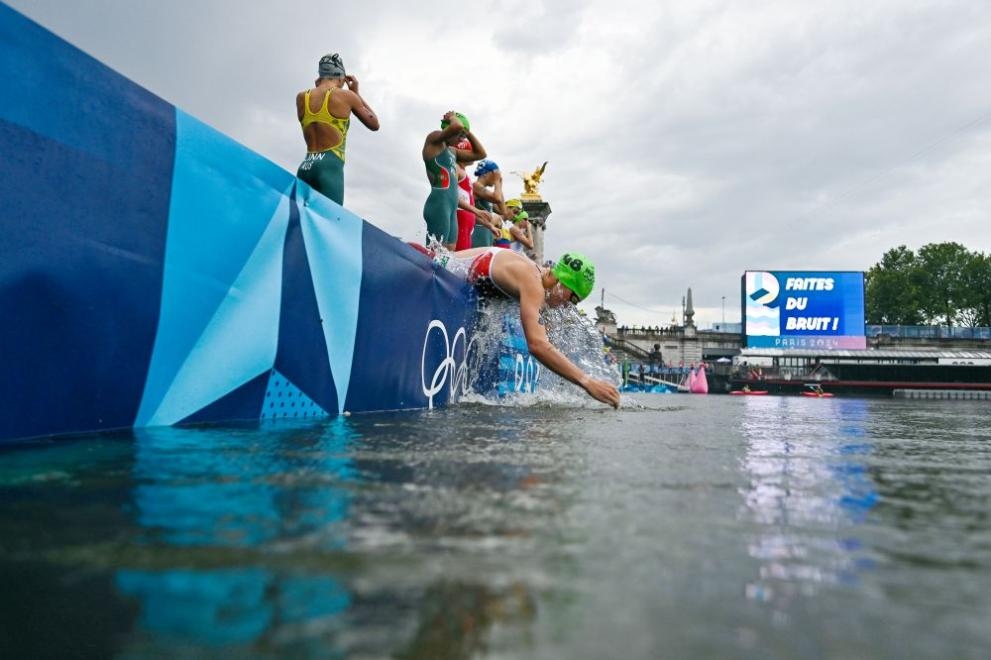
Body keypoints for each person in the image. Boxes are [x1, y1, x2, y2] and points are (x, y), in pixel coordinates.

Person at [433, 247, 620, 408]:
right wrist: (587, 382)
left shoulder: (540, 280)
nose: (567, 306)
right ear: (562, 283)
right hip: (434, 272)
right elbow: (538, 345)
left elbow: (549, 342)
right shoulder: (533, 283)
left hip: (444, 276)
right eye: (572, 299)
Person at [296, 53, 379, 205]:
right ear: (341, 78)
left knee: (297, 219)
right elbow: (374, 124)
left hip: (306, 166)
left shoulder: (302, 97)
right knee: (330, 218)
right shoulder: (347, 96)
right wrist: (356, 93)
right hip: (329, 168)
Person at [422, 112, 487, 249]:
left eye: (464, 136)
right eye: (461, 135)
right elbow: (456, 126)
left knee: (449, 253)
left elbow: (481, 154)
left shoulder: (453, 151)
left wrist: (468, 133)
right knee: (434, 252)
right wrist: (452, 117)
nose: (462, 140)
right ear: (448, 128)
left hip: (451, 207)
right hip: (439, 204)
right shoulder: (434, 140)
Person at [471, 160, 508, 248]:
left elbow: (503, 211)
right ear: (485, 174)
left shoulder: (487, 194)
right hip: (477, 234)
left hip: (486, 235)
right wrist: (497, 181)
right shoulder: (476, 186)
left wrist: (499, 185)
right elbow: (497, 198)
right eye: (495, 174)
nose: (497, 177)